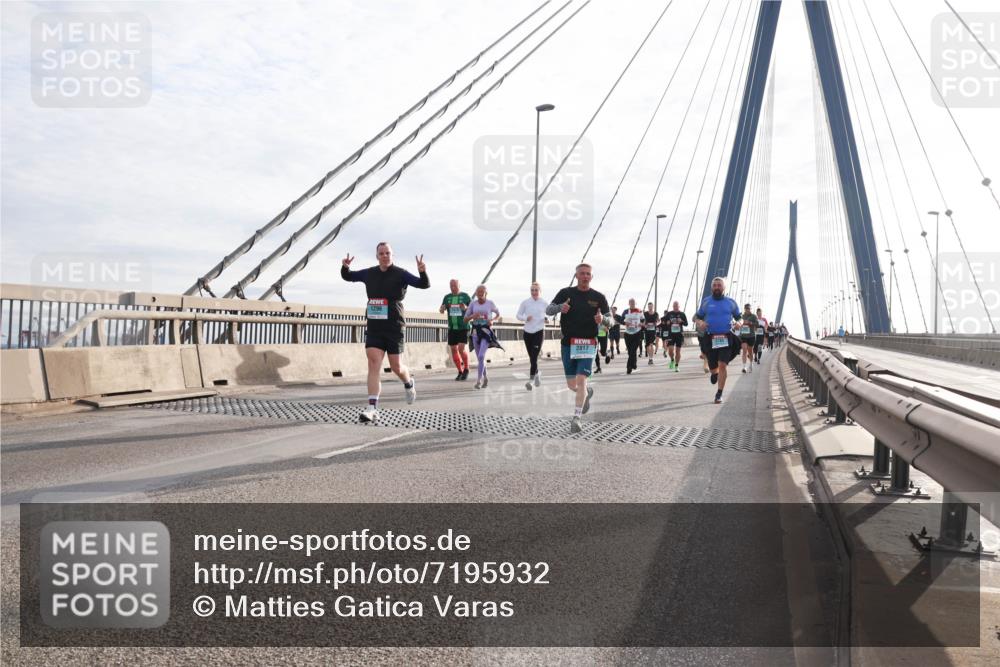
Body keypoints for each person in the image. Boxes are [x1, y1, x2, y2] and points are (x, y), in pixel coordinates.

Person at [341, 242, 429, 422]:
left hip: (394, 326)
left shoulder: (401, 273)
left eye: (387, 253)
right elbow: (348, 277)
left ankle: (408, 382)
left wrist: (422, 271)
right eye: (381, 253)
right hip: (374, 326)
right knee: (374, 363)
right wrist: (345, 266)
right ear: (377, 256)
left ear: (392, 255)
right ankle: (372, 408)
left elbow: (423, 284)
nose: (384, 256)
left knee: (396, 367)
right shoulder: (369, 273)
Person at [546, 263, 611, 434]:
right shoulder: (565, 293)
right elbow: (548, 310)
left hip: (589, 343)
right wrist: (560, 308)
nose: (585, 276)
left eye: (588, 274)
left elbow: (611, 321)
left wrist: (602, 319)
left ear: (591, 277)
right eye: (582, 273)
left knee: (581, 379)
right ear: (576, 276)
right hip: (568, 343)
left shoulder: (599, 297)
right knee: (571, 384)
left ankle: (576, 418)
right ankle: (587, 393)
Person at [693, 277, 742, 404]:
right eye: (714, 285)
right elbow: (696, 317)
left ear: (724, 287)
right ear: (711, 287)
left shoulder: (731, 302)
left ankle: (719, 394)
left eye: (719, 285)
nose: (717, 287)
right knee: (714, 368)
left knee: (722, 365)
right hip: (710, 338)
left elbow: (739, 318)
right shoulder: (706, 302)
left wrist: (739, 323)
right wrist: (701, 322)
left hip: (726, 337)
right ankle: (714, 374)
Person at [464, 285, 502, 389]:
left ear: (486, 293)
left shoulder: (490, 303)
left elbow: (498, 314)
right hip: (476, 332)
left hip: (486, 331)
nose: (480, 294)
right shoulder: (473, 304)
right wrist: (472, 316)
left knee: (481, 356)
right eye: (478, 292)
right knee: (480, 358)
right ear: (476, 293)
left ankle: (478, 381)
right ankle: (485, 378)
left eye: (482, 292)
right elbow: (465, 319)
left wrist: (493, 320)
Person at [516, 282, 547, 390]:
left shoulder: (544, 303)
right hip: (527, 332)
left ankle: (531, 380)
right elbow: (518, 315)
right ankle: (537, 374)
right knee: (531, 358)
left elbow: (548, 315)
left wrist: (547, 319)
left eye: (536, 290)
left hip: (539, 332)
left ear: (540, 291)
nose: (534, 292)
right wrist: (525, 318)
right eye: (532, 290)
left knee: (534, 357)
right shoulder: (525, 302)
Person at [439, 279, 471, 381]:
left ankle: (466, 368)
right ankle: (460, 371)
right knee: (453, 349)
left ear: (459, 285)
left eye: (455, 285)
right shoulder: (447, 297)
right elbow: (441, 310)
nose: (453, 287)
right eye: (451, 285)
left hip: (463, 327)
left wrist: (465, 308)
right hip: (452, 327)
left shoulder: (465, 296)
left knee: (461, 349)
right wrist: (442, 309)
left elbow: (473, 310)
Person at [617, 298, 645, 374]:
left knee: (633, 350)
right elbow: (621, 320)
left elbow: (643, 321)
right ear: (628, 304)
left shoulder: (639, 311)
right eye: (631, 303)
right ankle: (634, 363)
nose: (632, 304)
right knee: (630, 351)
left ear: (636, 303)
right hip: (628, 333)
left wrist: (641, 324)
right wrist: (625, 323)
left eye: (633, 303)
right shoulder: (626, 311)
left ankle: (629, 367)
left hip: (637, 333)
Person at [662, 300, 688, 372]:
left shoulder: (682, 314)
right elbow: (663, 321)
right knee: (670, 350)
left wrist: (681, 321)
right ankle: (672, 360)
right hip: (671, 334)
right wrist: (667, 322)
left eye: (676, 306)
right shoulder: (669, 314)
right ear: (672, 306)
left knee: (678, 351)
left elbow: (686, 324)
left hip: (679, 335)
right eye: (674, 306)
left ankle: (676, 366)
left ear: (679, 306)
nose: (675, 307)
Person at [738, 303, 759, 374]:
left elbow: (757, 324)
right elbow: (738, 322)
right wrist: (739, 324)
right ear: (745, 309)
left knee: (750, 351)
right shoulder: (742, 316)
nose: (748, 310)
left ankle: (750, 364)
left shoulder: (753, 316)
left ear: (750, 309)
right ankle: (744, 367)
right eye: (746, 308)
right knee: (744, 350)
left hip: (751, 336)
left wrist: (750, 323)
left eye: (749, 308)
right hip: (743, 336)